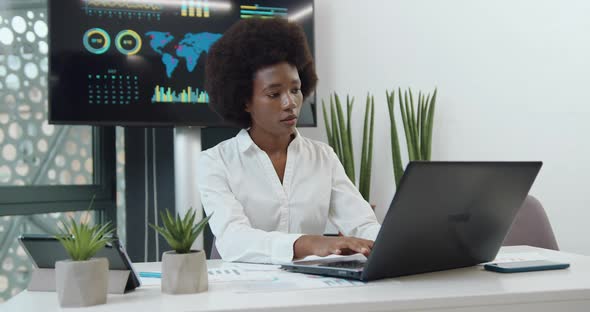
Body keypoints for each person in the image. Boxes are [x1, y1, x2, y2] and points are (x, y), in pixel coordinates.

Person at [198, 18, 381, 264]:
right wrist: (311, 243)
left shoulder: (323, 157)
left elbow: (362, 223)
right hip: (242, 292)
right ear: (245, 101)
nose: (290, 103)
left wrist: (392, 244)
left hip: (309, 289)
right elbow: (233, 240)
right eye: (274, 94)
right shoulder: (215, 162)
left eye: (295, 90)